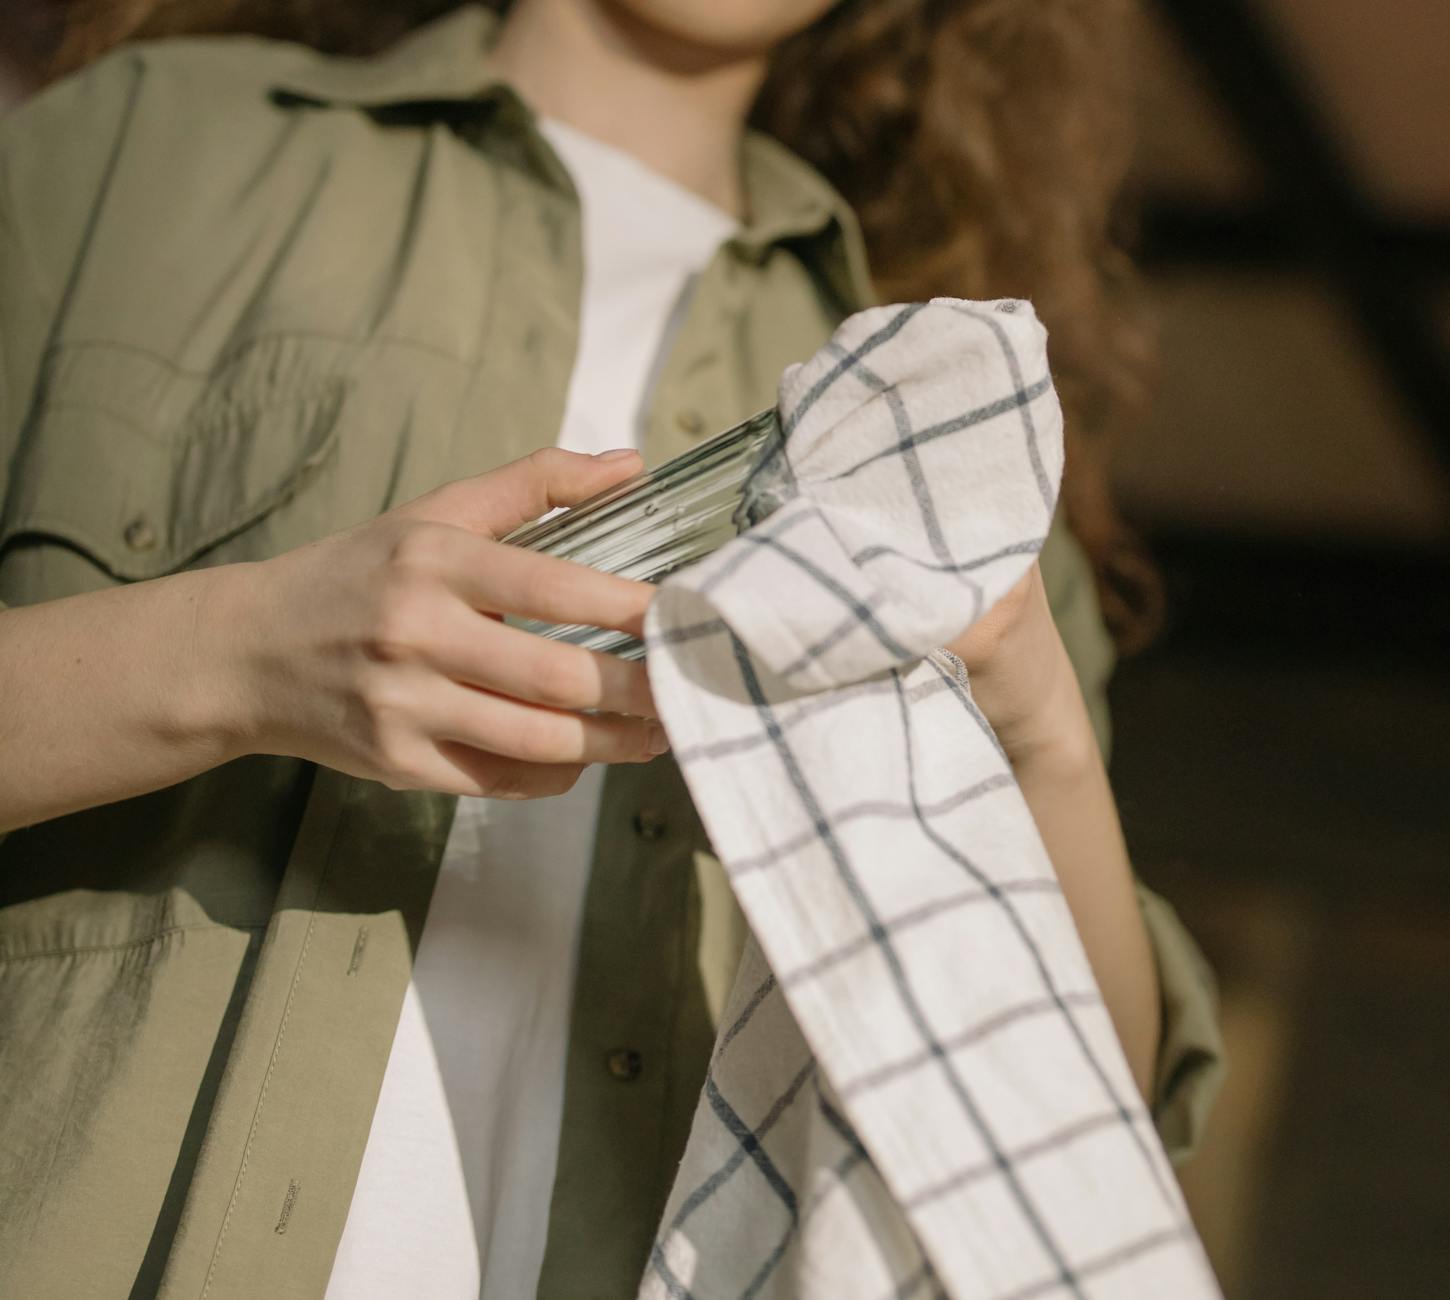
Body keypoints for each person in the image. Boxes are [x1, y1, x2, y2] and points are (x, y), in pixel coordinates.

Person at [0, 1, 1225, 1295]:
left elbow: (1069, 1147)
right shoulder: (143, 145)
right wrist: (242, 656)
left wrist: (1040, 735)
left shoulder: (947, 419)